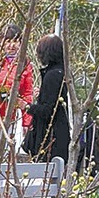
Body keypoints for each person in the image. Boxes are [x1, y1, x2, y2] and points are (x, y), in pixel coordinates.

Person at [23, 34, 71, 162]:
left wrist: (27, 107)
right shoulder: (62, 72)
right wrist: (43, 94)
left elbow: (47, 111)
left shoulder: (52, 75)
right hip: (59, 135)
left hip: (51, 139)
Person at [0, 23, 35, 139]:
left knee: (4, 150)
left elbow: (27, 94)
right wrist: (0, 92)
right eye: (8, 41)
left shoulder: (24, 64)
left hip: (10, 117)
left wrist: (26, 121)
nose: (11, 45)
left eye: (15, 41)